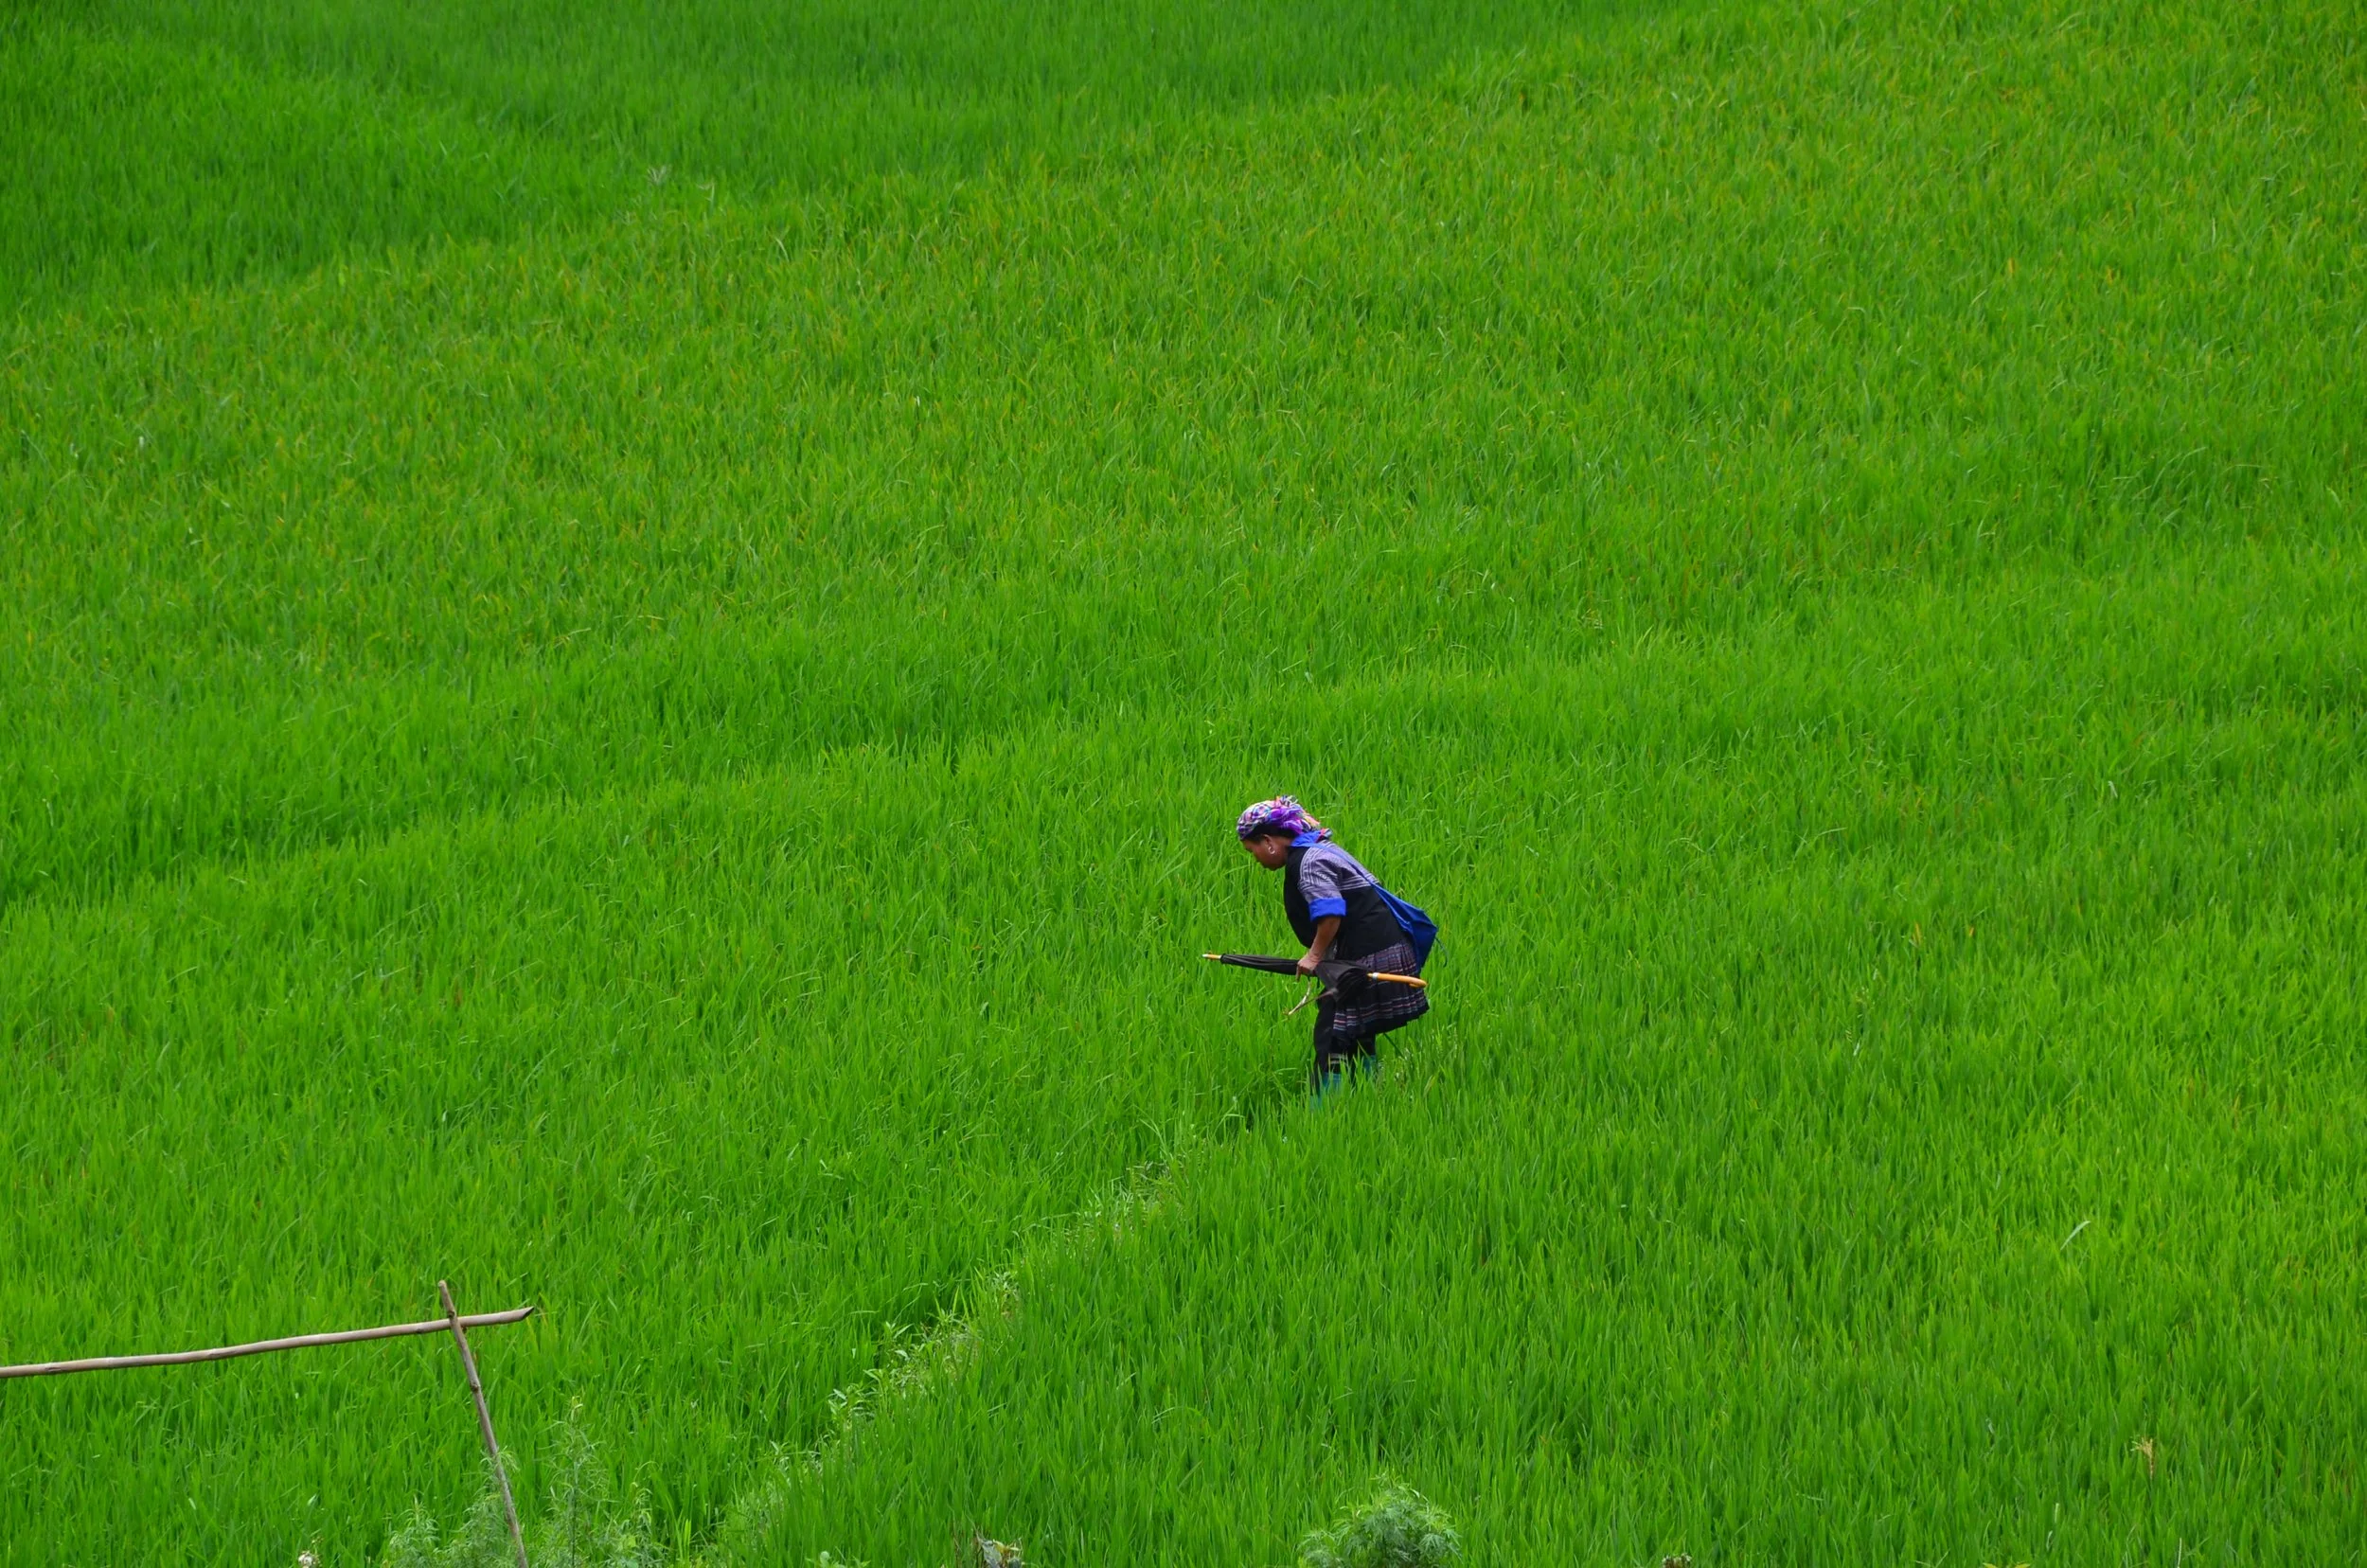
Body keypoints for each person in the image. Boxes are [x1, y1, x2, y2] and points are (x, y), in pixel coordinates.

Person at [1236, 795, 1437, 1096]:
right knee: (1358, 1028)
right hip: (1385, 949)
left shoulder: (1308, 862)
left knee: (1332, 1034)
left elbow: (1330, 913)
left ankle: (1325, 1107)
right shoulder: (1322, 849)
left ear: (1268, 841)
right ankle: (1368, 1093)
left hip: (1371, 956)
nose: (1256, 859)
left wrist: (1314, 955)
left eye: (1252, 851)